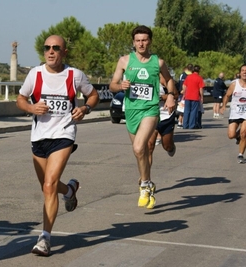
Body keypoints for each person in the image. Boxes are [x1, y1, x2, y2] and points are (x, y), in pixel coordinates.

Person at [16, 34, 99, 256]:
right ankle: (70, 190)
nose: (50, 51)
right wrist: (31, 109)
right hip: (39, 136)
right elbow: (21, 98)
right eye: (47, 48)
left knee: (49, 185)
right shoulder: (35, 74)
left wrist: (85, 109)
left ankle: (45, 238)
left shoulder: (74, 75)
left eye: (56, 48)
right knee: (47, 185)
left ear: (64, 52)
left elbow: (93, 95)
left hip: (64, 133)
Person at [109, 25, 176, 210]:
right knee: (140, 152)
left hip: (150, 110)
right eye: (138, 40)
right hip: (131, 111)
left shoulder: (158, 62)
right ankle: (149, 183)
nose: (141, 43)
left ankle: (144, 185)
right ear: (133, 42)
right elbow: (112, 85)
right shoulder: (124, 61)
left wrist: (170, 95)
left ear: (150, 41)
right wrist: (120, 85)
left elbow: (169, 79)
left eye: (144, 40)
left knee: (140, 147)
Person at [147, 73, 178, 169]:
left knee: (167, 146)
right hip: (149, 115)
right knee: (149, 146)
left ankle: (171, 147)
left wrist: (160, 98)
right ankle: (146, 177)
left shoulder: (162, 78)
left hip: (165, 115)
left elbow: (176, 95)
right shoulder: (139, 76)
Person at [220, 64, 246, 163]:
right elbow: (227, 95)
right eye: (243, 70)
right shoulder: (234, 84)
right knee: (231, 135)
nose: (245, 72)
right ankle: (237, 137)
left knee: (244, 133)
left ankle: (240, 154)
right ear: (240, 73)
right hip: (235, 112)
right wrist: (223, 106)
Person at [182, 65, 204, 129]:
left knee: (186, 111)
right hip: (195, 96)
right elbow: (201, 89)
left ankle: (185, 125)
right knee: (193, 111)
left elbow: (184, 85)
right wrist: (202, 97)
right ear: (199, 70)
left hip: (187, 96)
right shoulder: (199, 78)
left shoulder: (188, 77)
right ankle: (191, 125)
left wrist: (184, 93)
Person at [176, 64, 193, 128]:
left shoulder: (182, 74)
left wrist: (180, 90)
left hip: (182, 94)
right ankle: (183, 122)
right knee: (186, 109)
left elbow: (180, 83)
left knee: (181, 110)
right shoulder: (191, 75)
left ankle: (180, 122)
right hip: (188, 94)